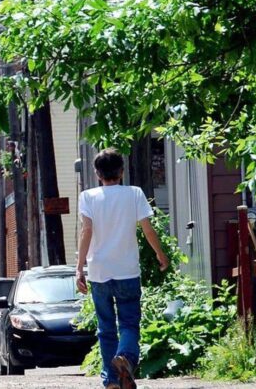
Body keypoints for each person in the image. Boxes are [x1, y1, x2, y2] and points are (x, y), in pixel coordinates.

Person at [76, 148, 169, 389]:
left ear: (97, 173)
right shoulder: (134, 193)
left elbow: (86, 231)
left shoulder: (87, 196)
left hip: (98, 272)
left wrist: (79, 268)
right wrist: (160, 253)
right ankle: (126, 358)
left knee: (105, 328)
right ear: (122, 171)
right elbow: (147, 229)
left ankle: (111, 381)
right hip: (127, 270)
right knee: (128, 324)